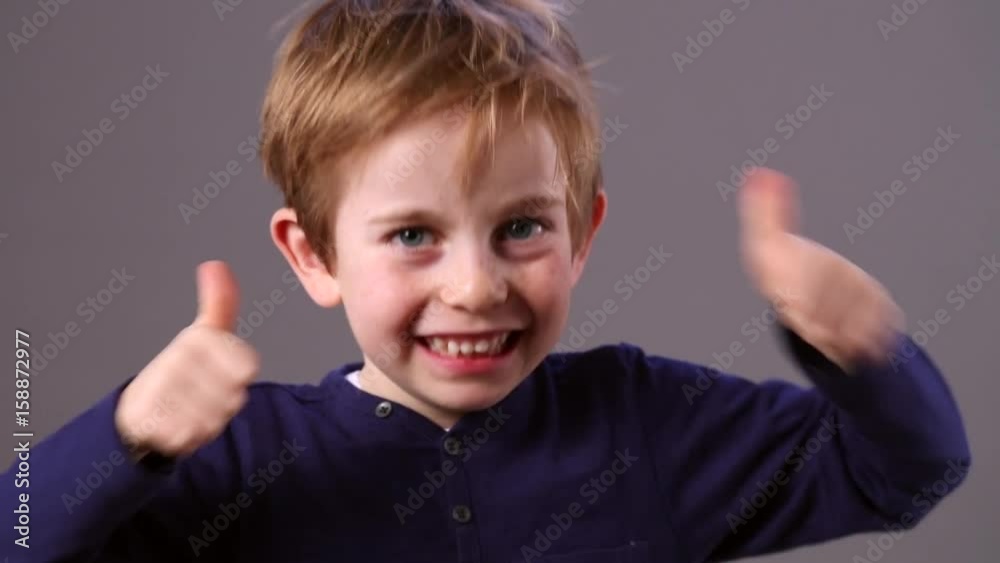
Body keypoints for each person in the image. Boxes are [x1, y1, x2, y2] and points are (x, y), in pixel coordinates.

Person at [3, 1, 970, 561]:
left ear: (582, 233)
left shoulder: (650, 424)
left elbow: (910, 473)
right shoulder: (239, 454)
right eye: (414, 234)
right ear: (314, 255)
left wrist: (867, 349)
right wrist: (129, 432)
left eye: (520, 227)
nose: (475, 285)